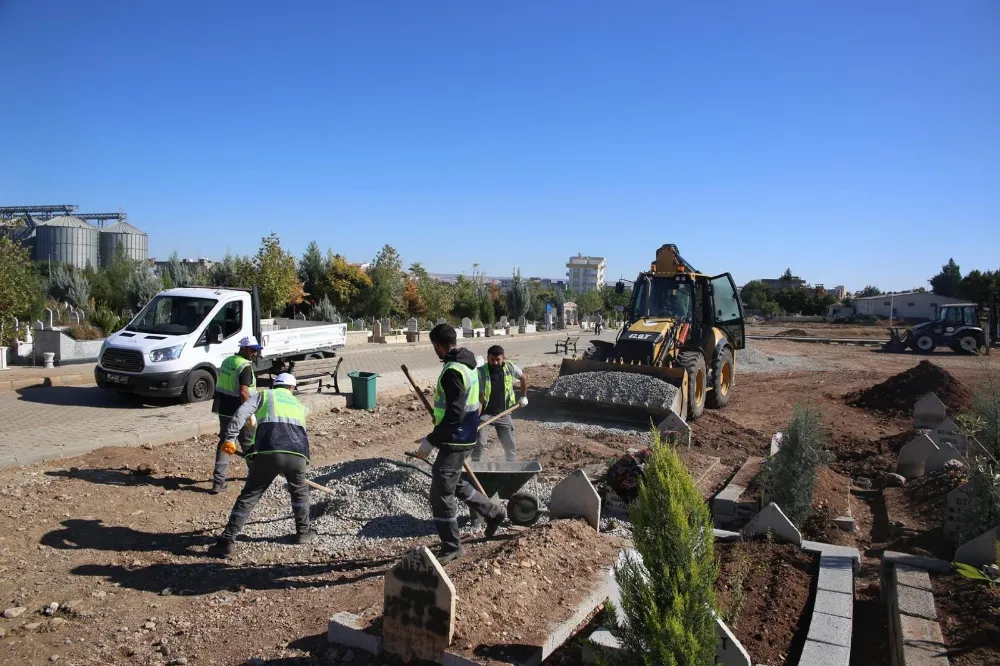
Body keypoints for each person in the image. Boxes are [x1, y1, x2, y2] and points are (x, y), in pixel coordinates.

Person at [414, 323, 505, 564]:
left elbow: (454, 414)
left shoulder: (453, 371)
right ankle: (494, 512)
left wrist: (430, 441)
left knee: (440, 493)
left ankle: (452, 546)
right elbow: (461, 406)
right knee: (452, 482)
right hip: (466, 435)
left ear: (437, 345)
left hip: (455, 439)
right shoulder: (469, 364)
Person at [209, 373, 312, 557]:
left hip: (268, 452)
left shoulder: (265, 395)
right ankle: (303, 533)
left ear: (275, 385)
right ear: (292, 389)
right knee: (299, 491)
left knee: (250, 495)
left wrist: (231, 438)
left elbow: (240, 414)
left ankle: (227, 540)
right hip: (298, 454)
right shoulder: (300, 405)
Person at [210, 335, 262, 493]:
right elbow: (243, 392)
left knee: (225, 443)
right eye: (252, 350)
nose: (255, 353)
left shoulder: (228, 361)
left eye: (256, 350)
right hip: (240, 411)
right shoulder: (244, 366)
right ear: (244, 348)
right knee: (248, 443)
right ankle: (258, 476)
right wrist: (251, 412)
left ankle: (218, 482)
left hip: (224, 408)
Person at [472, 346, 528, 462]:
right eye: (492, 360)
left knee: (509, 444)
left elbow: (523, 378)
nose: (495, 363)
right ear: (488, 358)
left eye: (498, 360)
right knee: (479, 442)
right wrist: (475, 419)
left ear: (503, 358)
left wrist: (523, 396)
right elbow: (481, 399)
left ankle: (511, 467)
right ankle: (475, 466)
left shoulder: (510, 367)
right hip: (486, 414)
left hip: (504, 413)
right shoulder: (482, 372)